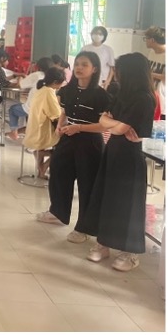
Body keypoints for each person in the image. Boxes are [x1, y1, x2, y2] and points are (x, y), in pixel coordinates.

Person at [81, 53, 156, 271]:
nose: (117, 75)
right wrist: (113, 124)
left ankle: (129, 252)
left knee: (127, 203)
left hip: (130, 156)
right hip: (113, 151)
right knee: (106, 198)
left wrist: (112, 124)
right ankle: (103, 244)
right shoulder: (120, 93)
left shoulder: (144, 98)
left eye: (121, 71)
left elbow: (121, 128)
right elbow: (104, 122)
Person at [36, 52, 110, 245]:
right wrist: (61, 125)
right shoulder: (68, 90)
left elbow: (104, 126)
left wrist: (80, 128)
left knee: (87, 184)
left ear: (94, 69)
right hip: (68, 137)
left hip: (90, 142)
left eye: (84, 65)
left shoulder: (101, 95)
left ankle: (84, 227)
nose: (79, 68)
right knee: (59, 173)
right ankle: (58, 212)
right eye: (77, 64)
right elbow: (65, 111)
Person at [22, 67, 66, 178]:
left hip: (34, 128)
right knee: (65, 147)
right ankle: (45, 165)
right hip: (43, 132)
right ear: (56, 82)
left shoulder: (41, 89)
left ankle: (41, 169)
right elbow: (56, 114)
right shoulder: (49, 92)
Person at [6, 56, 55, 141]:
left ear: (38, 66)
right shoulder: (52, 78)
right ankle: (23, 132)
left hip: (32, 108)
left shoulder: (36, 75)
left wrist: (20, 77)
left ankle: (14, 132)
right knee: (27, 114)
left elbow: (19, 85)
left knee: (12, 110)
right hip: (45, 109)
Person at [144, 26, 165, 119]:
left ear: (152, 40)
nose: (145, 41)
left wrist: (149, 74)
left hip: (162, 96)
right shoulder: (151, 52)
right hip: (150, 93)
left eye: (146, 39)